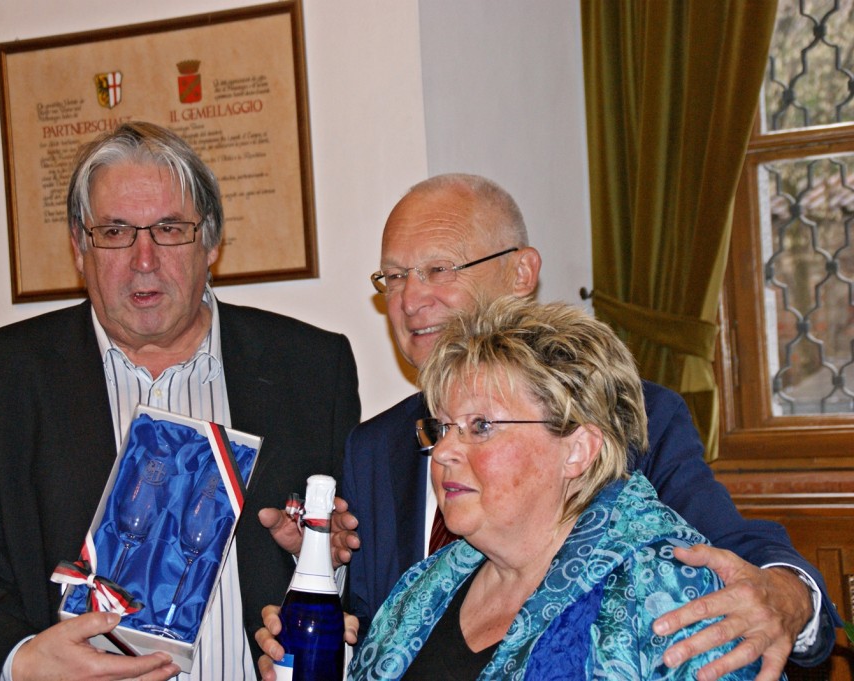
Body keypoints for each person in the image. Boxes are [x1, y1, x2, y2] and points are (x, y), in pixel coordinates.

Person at [260, 173, 837, 680]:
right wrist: (324, 590)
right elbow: (377, 627)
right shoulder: (376, 446)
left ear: (521, 271)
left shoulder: (634, 419)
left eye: (438, 269)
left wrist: (785, 595)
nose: (411, 299)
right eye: (392, 278)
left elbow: (726, 556)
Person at [0, 121, 361, 681]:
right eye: (116, 233)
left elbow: (361, 566)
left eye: (169, 229)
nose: (144, 259)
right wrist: (22, 660)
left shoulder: (312, 369)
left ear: (210, 240)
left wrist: (319, 561)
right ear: (79, 246)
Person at [348, 296, 763, 679]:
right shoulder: (420, 588)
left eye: (481, 426)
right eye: (441, 428)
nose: (442, 453)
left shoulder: (668, 590)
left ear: (578, 450)